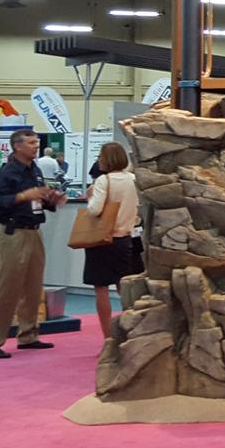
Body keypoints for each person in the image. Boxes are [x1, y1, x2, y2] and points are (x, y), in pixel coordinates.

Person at [0, 127, 64, 358]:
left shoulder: (33, 169)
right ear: (17, 146)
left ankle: (28, 334)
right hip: (12, 234)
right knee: (6, 289)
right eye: (31, 143)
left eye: (37, 143)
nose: (36, 146)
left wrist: (51, 200)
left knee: (33, 287)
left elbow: (37, 200)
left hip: (33, 231)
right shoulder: (6, 172)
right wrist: (22, 196)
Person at [82, 142, 142, 338]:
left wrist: (90, 197)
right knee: (123, 288)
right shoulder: (134, 179)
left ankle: (108, 336)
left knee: (101, 289)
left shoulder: (103, 181)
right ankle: (130, 331)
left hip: (103, 240)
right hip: (125, 240)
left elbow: (95, 210)